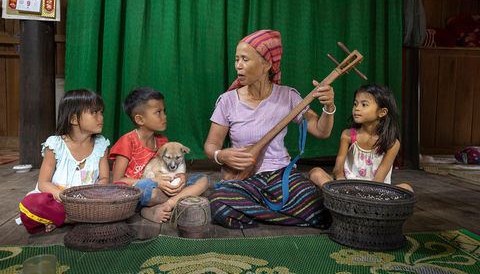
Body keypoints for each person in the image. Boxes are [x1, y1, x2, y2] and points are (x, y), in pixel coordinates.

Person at [205, 29, 334, 229]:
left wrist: (329, 107)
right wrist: (220, 155)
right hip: (245, 179)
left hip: (281, 175)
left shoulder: (288, 96)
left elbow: (321, 130)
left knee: (313, 200)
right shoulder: (227, 101)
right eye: (237, 59)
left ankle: (255, 215)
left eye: (245, 59)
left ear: (267, 64)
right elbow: (212, 144)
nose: (238, 65)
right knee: (219, 201)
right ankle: (283, 215)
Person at [110, 87, 209, 223]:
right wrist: (154, 182)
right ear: (140, 119)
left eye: (164, 111)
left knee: (203, 180)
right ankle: (175, 203)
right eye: (158, 112)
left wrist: (183, 177)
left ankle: (164, 206)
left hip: (164, 188)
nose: (164, 116)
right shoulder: (127, 141)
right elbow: (117, 182)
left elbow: (171, 170)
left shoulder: (163, 142)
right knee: (152, 192)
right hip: (138, 192)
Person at [19, 89, 110, 233]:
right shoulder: (55, 145)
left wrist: (91, 196)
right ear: (73, 119)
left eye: (101, 112)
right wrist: (68, 198)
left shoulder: (101, 145)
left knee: (119, 191)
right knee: (31, 204)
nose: (100, 117)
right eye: (94, 112)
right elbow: (44, 183)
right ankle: (74, 219)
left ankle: (60, 220)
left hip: (89, 202)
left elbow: (105, 178)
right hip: (59, 200)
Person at [309, 83, 413, 192]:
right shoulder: (347, 135)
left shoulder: (392, 143)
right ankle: (342, 196)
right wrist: (340, 178)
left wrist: (367, 194)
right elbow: (338, 167)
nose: (357, 108)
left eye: (364, 105)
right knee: (315, 172)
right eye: (355, 104)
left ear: (382, 112)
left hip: (375, 191)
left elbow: (379, 179)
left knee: (407, 189)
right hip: (347, 188)